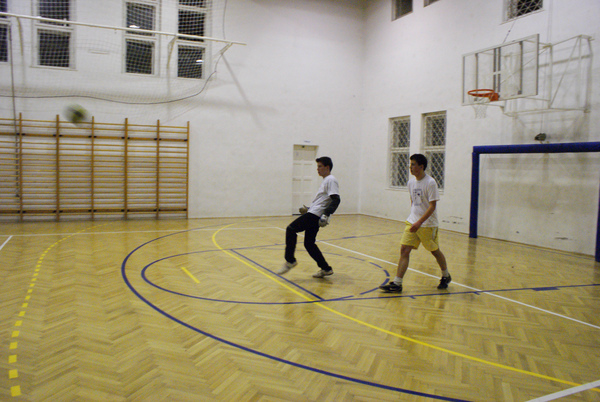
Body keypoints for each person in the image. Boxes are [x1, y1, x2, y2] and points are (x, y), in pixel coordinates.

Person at [380, 154, 451, 292]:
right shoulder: (410, 183)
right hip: (412, 222)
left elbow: (432, 206)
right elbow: (413, 201)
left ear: (421, 166)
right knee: (404, 250)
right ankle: (397, 283)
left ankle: (446, 275)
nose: (410, 167)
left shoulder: (430, 182)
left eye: (413, 164)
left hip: (428, 225)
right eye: (410, 164)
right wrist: (414, 219)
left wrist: (419, 222)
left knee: (435, 251)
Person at [278, 156, 341, 278]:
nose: (317, 169)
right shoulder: (326, 180)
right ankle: (326, 268)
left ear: (327, 167)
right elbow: (323, 201)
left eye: (320, 166)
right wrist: (308, 209)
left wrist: (326, 214)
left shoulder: (331, 180)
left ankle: (290, 260)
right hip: (314, 213)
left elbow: (336, 199)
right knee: (309, 244)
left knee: (291, 229)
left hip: (315, 215)